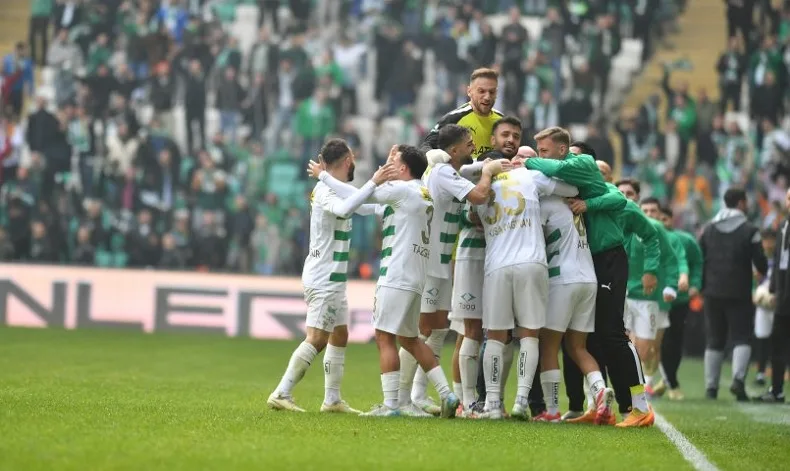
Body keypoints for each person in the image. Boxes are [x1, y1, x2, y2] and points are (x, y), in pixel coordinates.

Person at [314, 145, 473, 417]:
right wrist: (382, 175)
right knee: (410, 340)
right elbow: (365, 207)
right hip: (416, 277)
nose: (388, 165)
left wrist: (323, 177)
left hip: (395, 274)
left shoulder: (401, 191)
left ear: (403, 168)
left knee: (384, 337)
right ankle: (447, 395)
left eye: (394, 162)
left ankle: (391, 406)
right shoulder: (421, 193)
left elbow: (359, 196)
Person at [525, 128, 654, 427]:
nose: (571, 162)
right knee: (592, 338)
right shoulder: (573, 188)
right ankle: (602, 406)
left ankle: (640, 406)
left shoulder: (598, 182)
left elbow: (619, 198)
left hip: (610, 258)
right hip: (592, 263)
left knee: (614, 334)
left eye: (573, 157)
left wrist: (527, 162)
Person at [267, 139, 395, 413]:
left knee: (339, 334)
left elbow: (362, 205)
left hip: (333, 278)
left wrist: (385, 192)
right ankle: (281, 392)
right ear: (348, 160)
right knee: (317, 338)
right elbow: (345, 209)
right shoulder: (325, 190)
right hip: (323, 276)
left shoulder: (336, 188)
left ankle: (332, 399)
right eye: (353, 158)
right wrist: (374, 182)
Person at [401, 124, 499, 415]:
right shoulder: (443, 172)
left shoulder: (449, 170)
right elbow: (479, 195)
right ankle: (400, 399)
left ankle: (418, 395)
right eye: (469, 144)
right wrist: (488, 173)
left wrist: (488, 165)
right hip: (429, 262)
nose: (474, 147)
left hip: (441, 261)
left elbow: (471, 169)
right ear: (454, 150)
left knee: (439, 328)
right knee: (422, 329)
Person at [473, 156, 578, 419]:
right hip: (532, 262)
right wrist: (536, 165)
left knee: (495, 336)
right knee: (529, 334)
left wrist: (485, 172)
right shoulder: (530, 175)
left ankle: (492, 405)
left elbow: (470, 212)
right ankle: (521, 402)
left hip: (496, 264)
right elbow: (572, 189)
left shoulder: (479, 186)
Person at [533, 152, 616, 424]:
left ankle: (552, 410)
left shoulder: (545, 204)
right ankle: (601, 392)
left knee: (548, 345)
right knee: (577, 347)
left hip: (562, 279)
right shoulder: (576, 203)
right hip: (588, 279)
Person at [450, 117, 522, 414]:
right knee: (472, 329)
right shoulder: (477, 169)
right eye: (505, 134)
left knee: (502, 332)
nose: (510, 140)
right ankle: (467, 402)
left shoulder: (520, 174)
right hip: (472, 255)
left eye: (516, 136)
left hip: (502, 259)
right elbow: (463, 212)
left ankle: (496, 400)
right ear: (492, 140)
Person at [700, 188, 768, 401]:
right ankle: (738, 380)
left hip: (712, 291)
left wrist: (702, 287)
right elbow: (760, 261)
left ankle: (711, 388)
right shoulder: (750, 229)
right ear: (741, 203)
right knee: (742, 337)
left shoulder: (708, 229)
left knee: (714, 339)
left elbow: (701, 259)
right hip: (739, 291)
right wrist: (762, 271)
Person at [655, 205, 703, 400]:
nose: (661, 223)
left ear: (672, 220)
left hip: (679, 300)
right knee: (656, 343)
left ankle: (669, 380)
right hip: (652, 298)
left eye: (665, 219)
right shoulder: (645, 237)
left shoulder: (686, 240)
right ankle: (667, 382)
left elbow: (697, 264)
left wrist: (695, 284)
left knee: (674, 342)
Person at [638, 197, 683, 395]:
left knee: (653, 346)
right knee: (634, 345)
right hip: (634, 297)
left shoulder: (670, 238)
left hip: (659, 300)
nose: (649, 215)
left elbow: (677, 261)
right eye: (645, 211)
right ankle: (640, 383)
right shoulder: (633, 233)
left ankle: (647, 382)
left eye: (653, 211)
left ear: (659, 214)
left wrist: (677, 282)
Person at [421, 68, 503, 160]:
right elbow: (427, 145)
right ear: (469, 91)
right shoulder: (454, 118)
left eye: (491, 92)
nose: (487, 97)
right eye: (481, 91)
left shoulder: (502, 120)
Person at [760, 189, 790, 403]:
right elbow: (780, 260)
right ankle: (777, 389)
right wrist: (773, 289)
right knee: (778, 342)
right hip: (783, 295)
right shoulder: (783, 226)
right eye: (788, 198)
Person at [753, 229, 777, 388]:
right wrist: (752, 293)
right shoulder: (757, 258)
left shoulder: (781, 258)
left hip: (778, 303)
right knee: (761, 336)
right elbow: (751, 279)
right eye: (765, 240)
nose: (768, 244)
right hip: (762, 304)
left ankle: (779, 370)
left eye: (770, 240)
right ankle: (761, 372)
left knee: (778, 338)